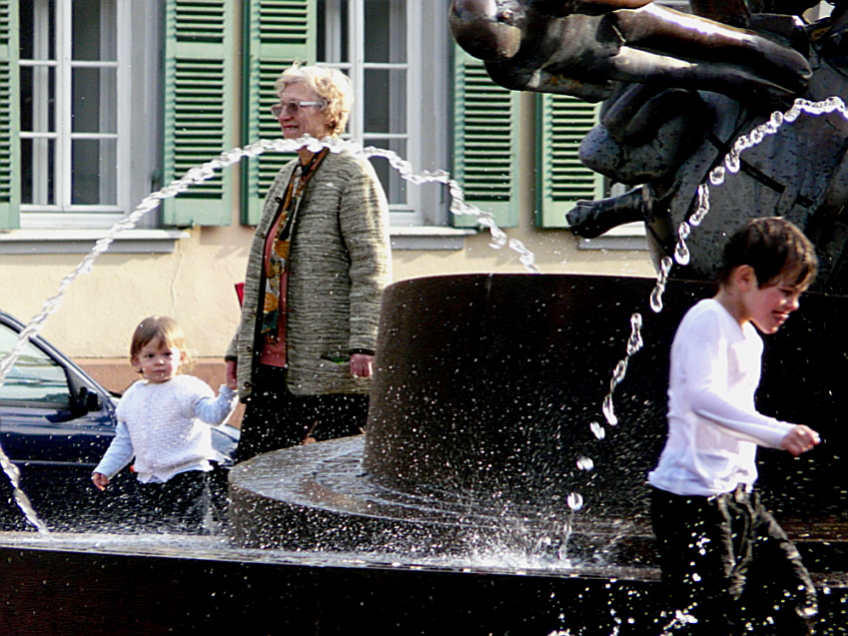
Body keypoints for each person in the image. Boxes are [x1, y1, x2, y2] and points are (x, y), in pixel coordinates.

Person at [647, 218, 821, 635]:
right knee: (708, 618)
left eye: (798, 295)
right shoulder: (707, 318)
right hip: (691, 501)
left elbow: (733, 410)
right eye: (785, 292)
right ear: (745, 277)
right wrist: (777, 432)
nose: (793, 305)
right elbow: (702, 401)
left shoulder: (750, 337)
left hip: (738, 497)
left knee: (796, 597)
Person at [225, 64, 392, 462]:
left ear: (329, 111)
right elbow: (265, 271)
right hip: (270, 356)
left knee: (339, 465)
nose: (284, 116)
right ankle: (258, 528)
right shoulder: (287, 174)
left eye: (295, 107)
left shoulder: (352, 173)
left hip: (332, 360)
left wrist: (365, 342)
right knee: (255, 464)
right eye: (279, 107)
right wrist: (238, 348)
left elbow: (371, 263)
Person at [449, 0, 811, 108]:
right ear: (505, 12)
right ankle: (765, 53)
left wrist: (592, 86)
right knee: (706, 38)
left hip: (605, 59)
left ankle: (749, 77)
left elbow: (585, 91)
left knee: (685, 71)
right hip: (623, 23)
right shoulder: (537, 4)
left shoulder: (504, 71)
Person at [92, 316, 237, 533]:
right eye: (150, 356)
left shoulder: (188, 388)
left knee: (189, 532)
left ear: (181, 357)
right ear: (136, 362)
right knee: (152, 532)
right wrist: (106, 469)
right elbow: (124, 440)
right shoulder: (132, 396)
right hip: (149, 479)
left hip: (187, 475)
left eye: (167, 354)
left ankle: (190, 562)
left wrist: (229, 392)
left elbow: (214, 416)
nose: (159, 362)